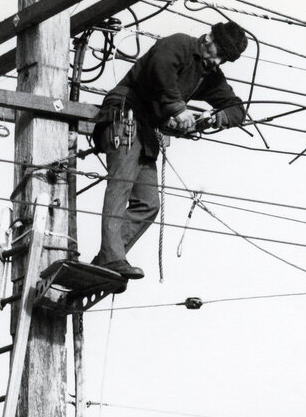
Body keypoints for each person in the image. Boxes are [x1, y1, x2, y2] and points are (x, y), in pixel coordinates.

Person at [91, 20, 250, 279]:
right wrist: (178, 109)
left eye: (224, 59)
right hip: (125, 113)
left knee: (148, 203)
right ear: (208, 37)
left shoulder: (208, 75)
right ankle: (112, 257)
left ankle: (106, 258)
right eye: (217, 53)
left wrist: (214, 118)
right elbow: (160, 70)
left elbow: (236, 109)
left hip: (145, 128)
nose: (217, 62)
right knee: (120, 184)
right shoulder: (180, 44)